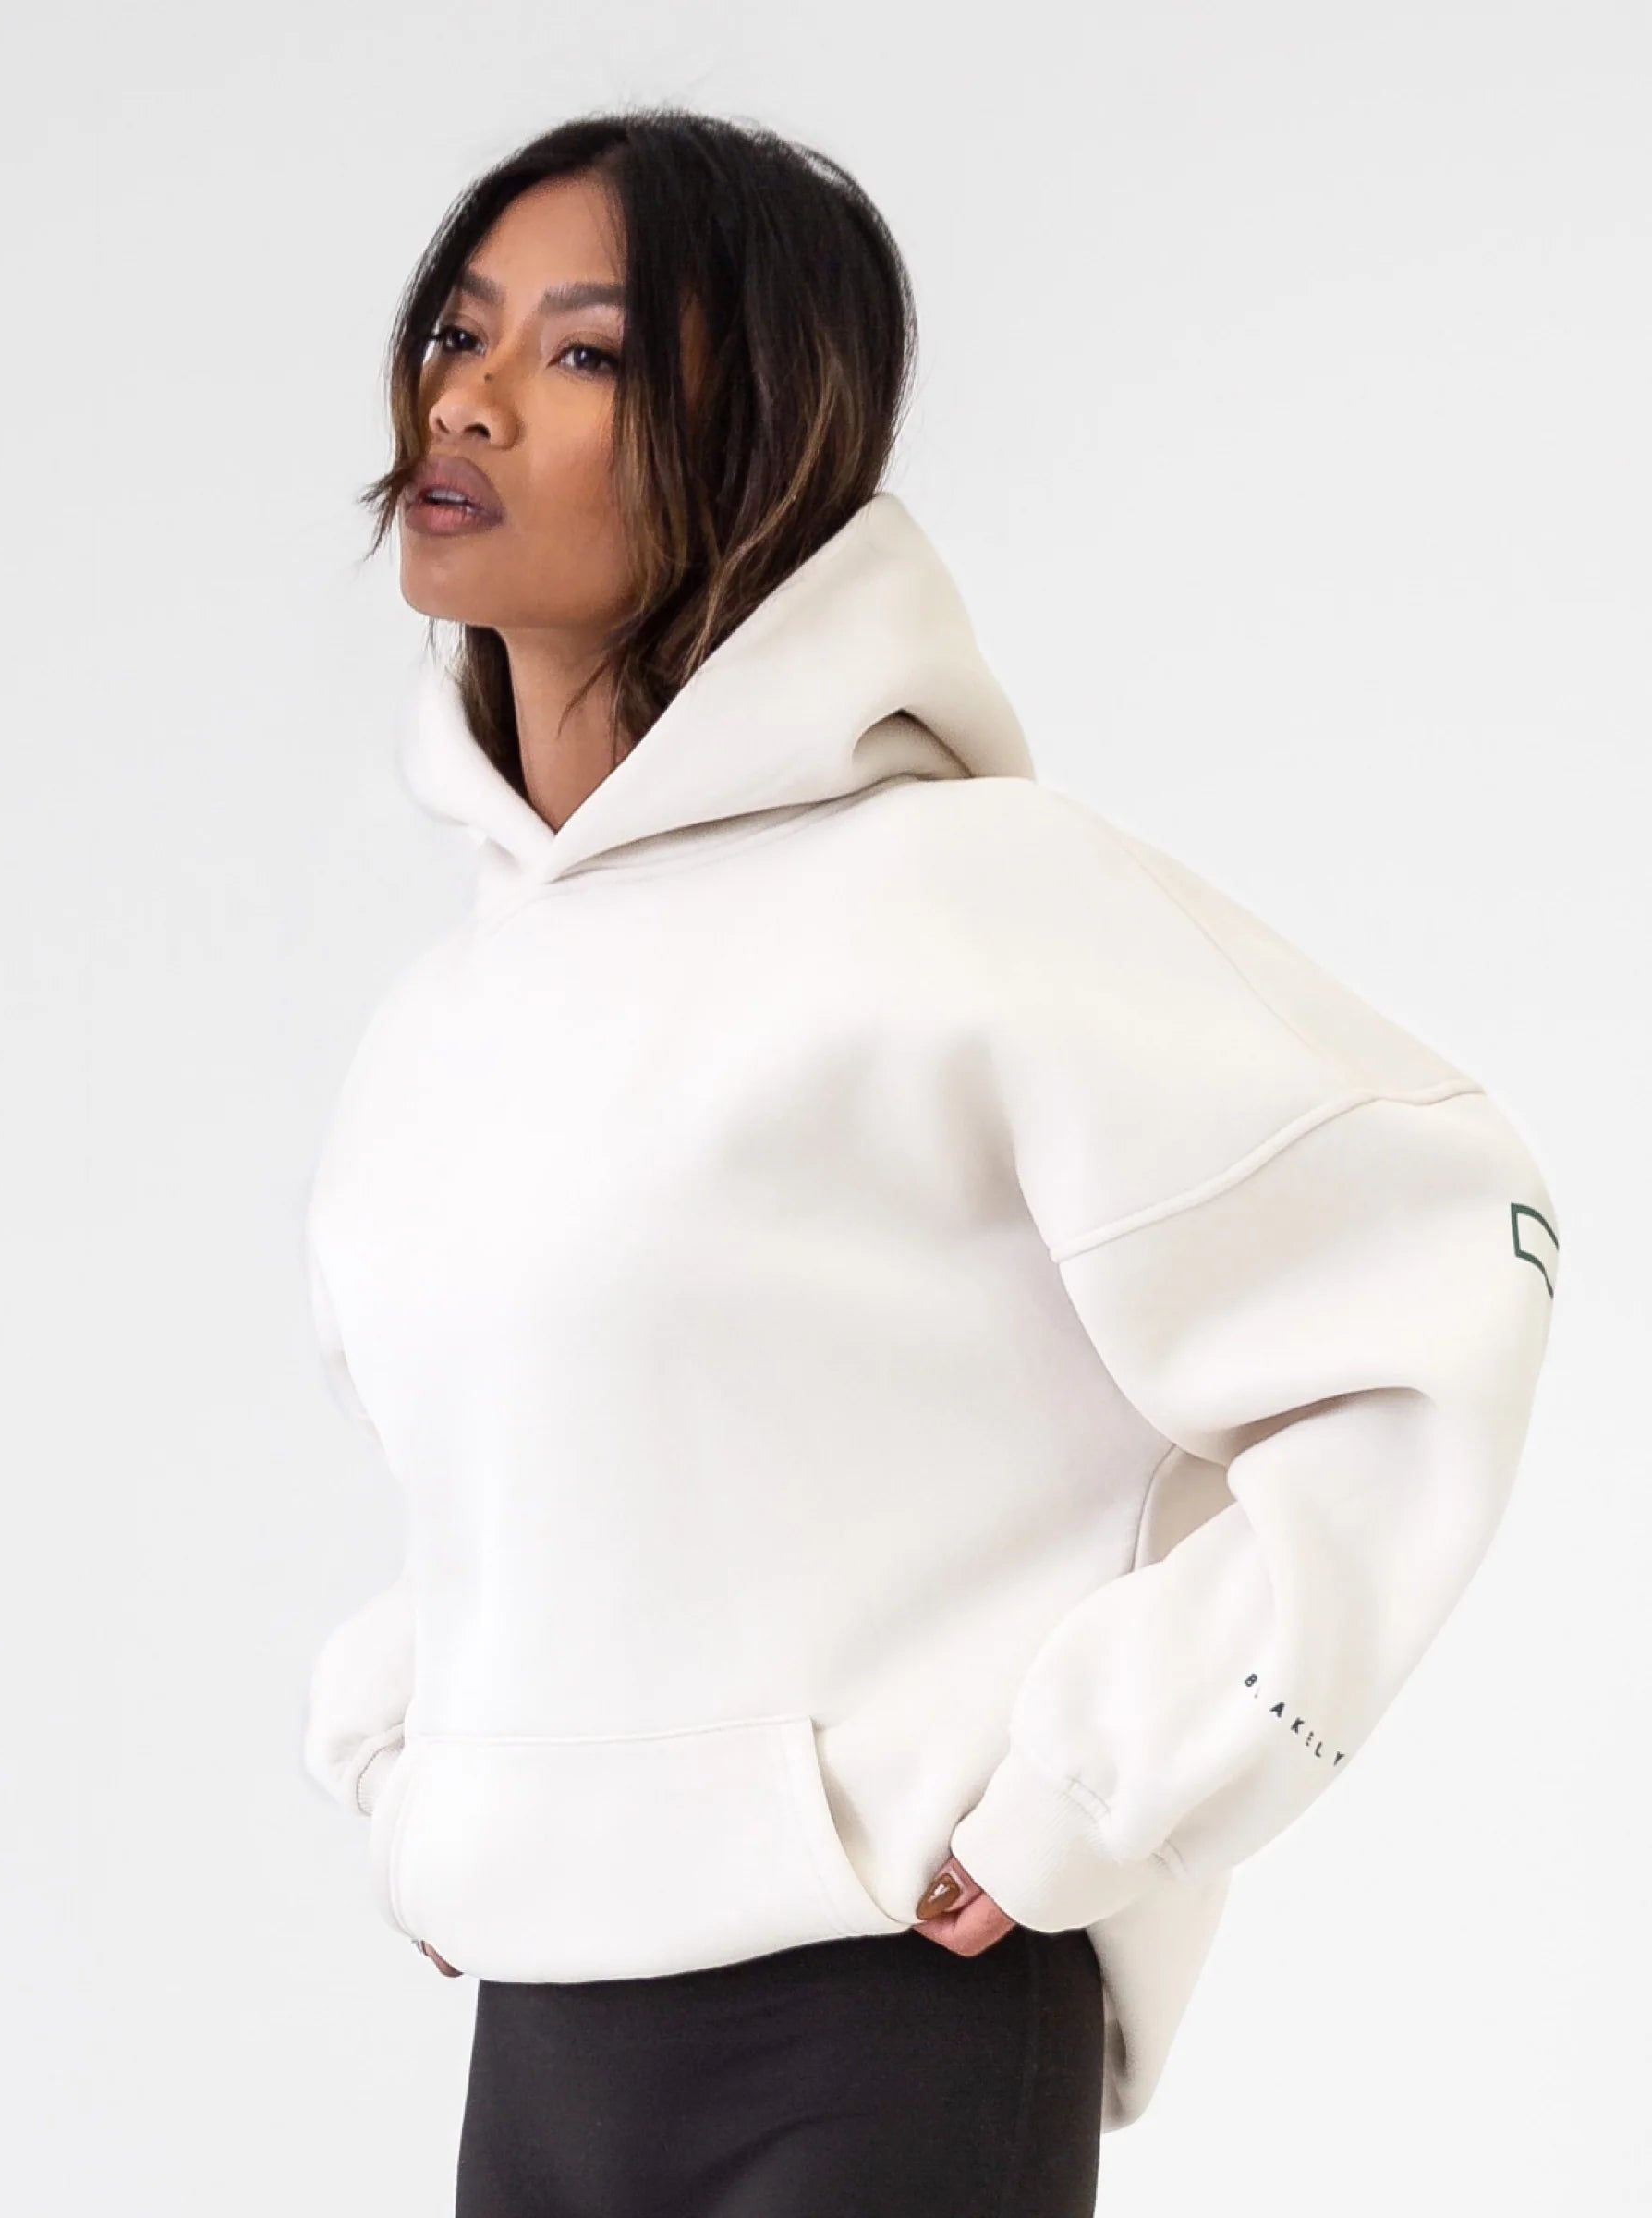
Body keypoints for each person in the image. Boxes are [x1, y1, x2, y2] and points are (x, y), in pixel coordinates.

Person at [299, 107, 1561, 2218]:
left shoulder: (970, 904)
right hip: (542, 2021)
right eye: (458, 329)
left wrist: (1111, 1781)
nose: (471, 398)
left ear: (759, 435)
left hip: (880, 2012)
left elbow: (1453, 1262)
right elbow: (537, 1486)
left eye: (586, 352)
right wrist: (425, 1769)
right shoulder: (439, 1029)